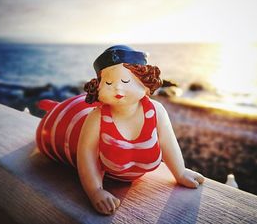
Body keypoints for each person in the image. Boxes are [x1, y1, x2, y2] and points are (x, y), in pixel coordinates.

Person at [36, 45, 205, 215]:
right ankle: (53, 109)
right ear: (99, 87)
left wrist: (180, 172)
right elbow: (86, 154)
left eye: (125, 81)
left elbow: (168, 141)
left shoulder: (156, 110)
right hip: (65, 127)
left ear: (145, 84)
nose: (117, 88)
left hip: (84, 113)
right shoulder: (97, 117)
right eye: (108, 83)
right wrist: (95, 191)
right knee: (56, 124)